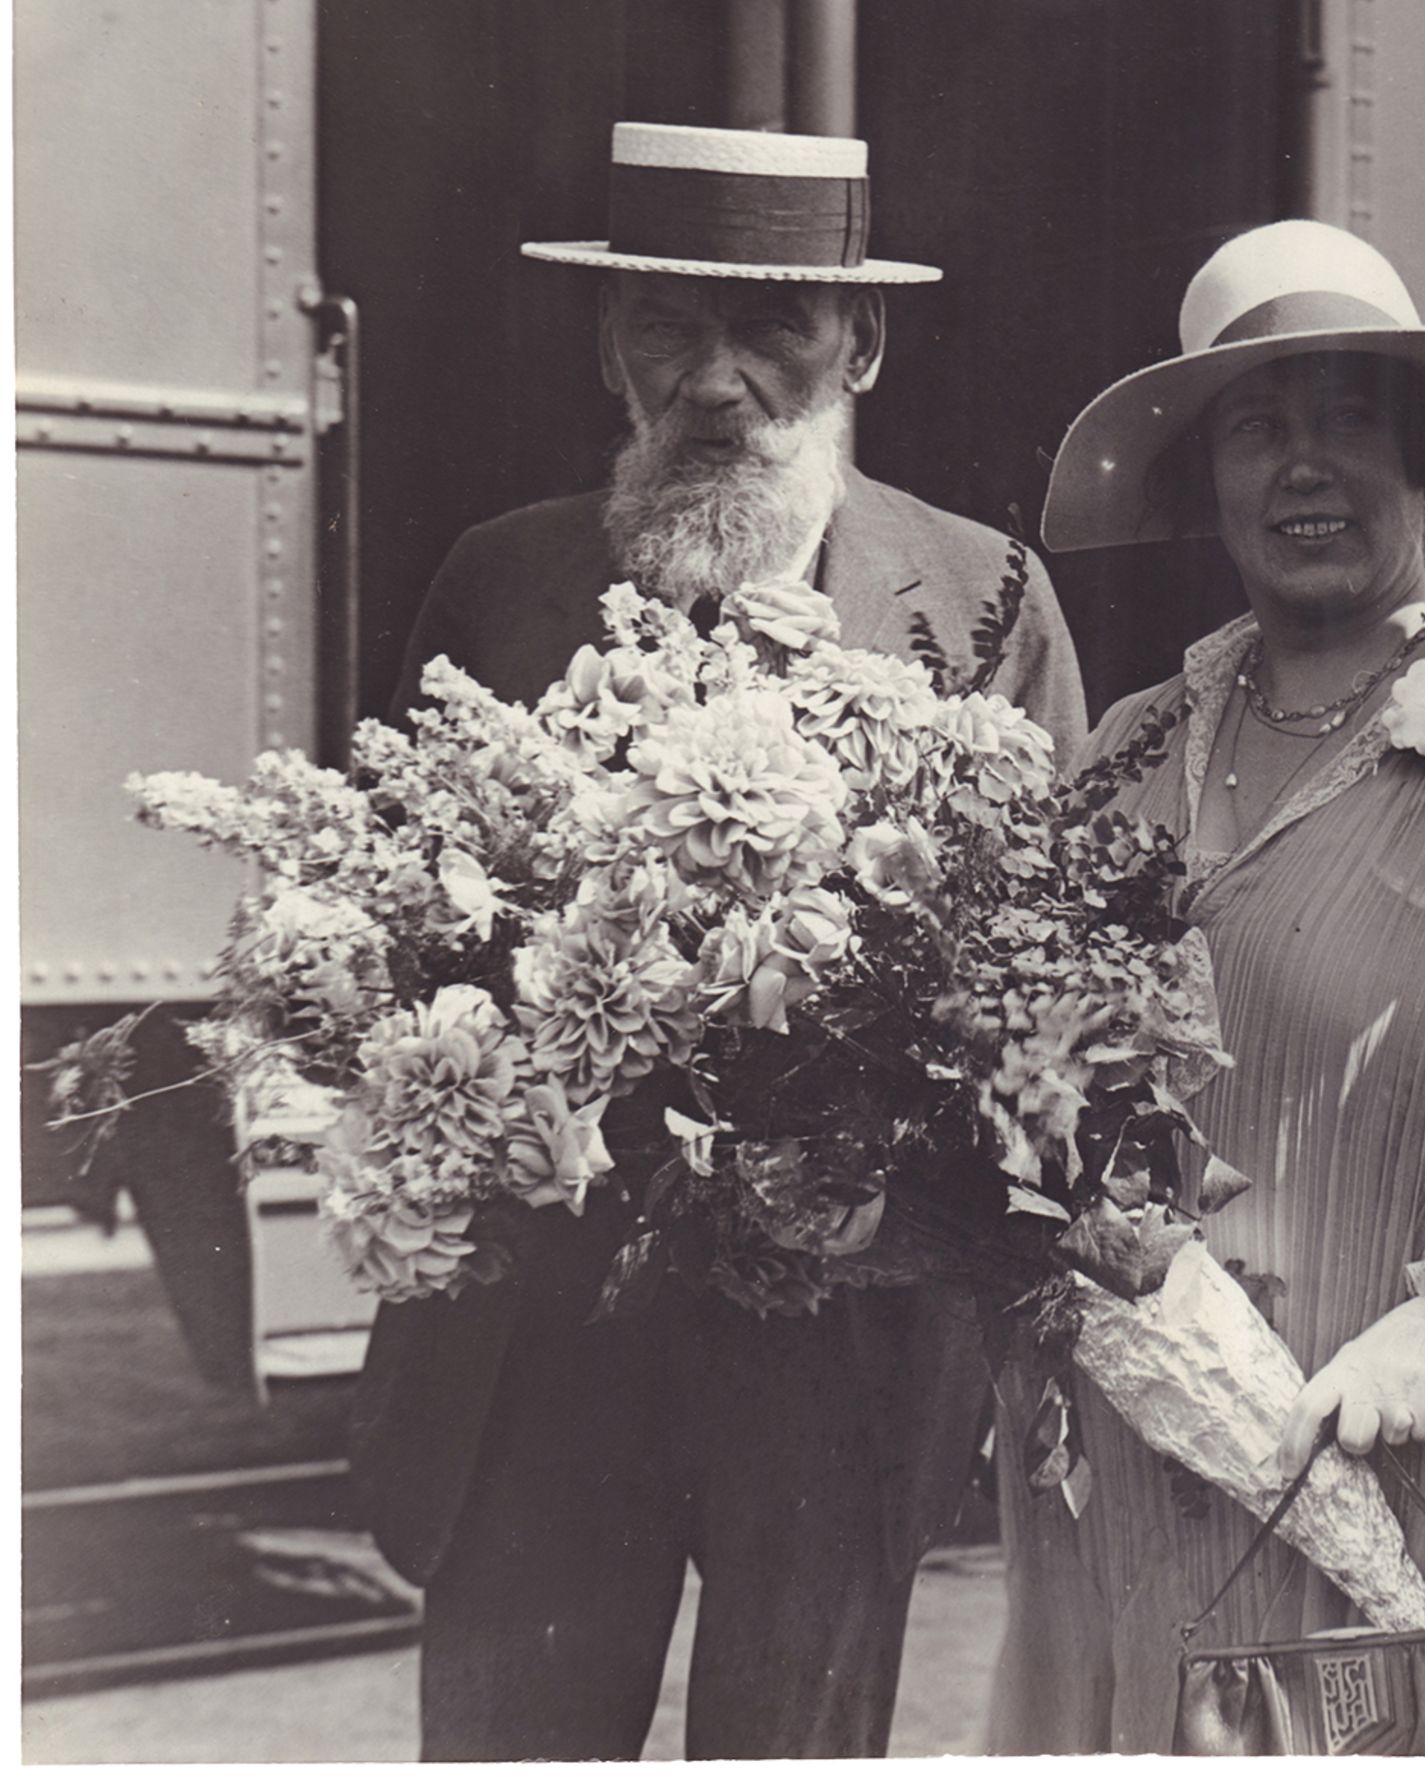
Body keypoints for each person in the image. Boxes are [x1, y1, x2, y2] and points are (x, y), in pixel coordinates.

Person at [351, 120, 1087, 1760]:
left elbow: (1049, 990)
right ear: (612, 348)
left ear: (862, 345)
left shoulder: (981, 599)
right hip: (540, 1345)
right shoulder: (499, 586)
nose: (716, 379)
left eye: (773, 326)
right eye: (668, 326)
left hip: (835, 1356)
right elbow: (395, 934)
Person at [991, 219, 1425, 1753]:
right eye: (1258, 430)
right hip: (1134, 1445)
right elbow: (1025, 1072)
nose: (1304, 467)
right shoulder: (1131, 749)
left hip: (1397, 1429)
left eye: (1351, 419)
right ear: (1201, 484)